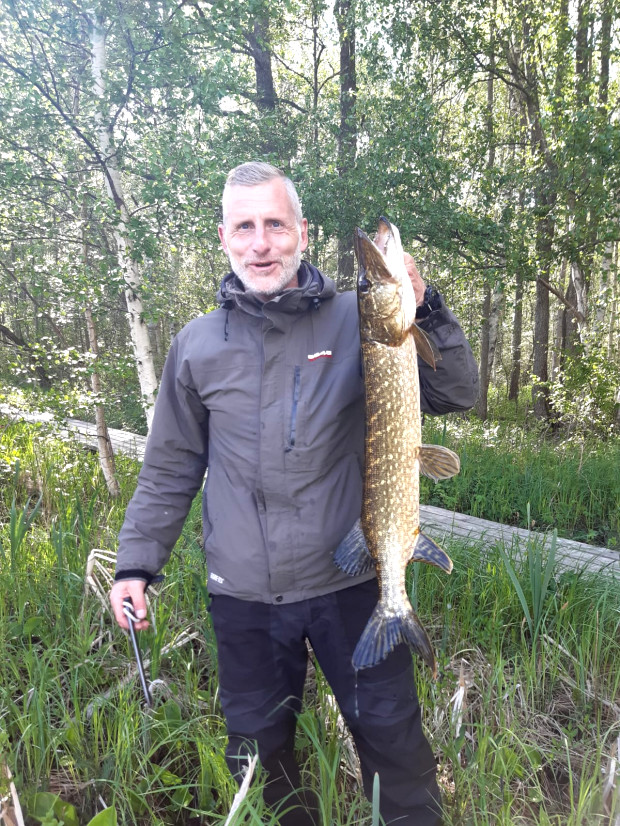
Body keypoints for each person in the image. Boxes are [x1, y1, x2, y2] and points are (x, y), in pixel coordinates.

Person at [110, 162, 479, 826]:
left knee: (395, 747)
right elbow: (169, 467)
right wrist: (136, 564)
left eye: (276, 225)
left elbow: (455, 393)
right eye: (245, 227)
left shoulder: (359, 317)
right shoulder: (196, 345)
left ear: (302, 233)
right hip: (244, 595)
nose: (261, 244)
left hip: (351, 579)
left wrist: (425, 306)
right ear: (224, 237)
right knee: (261, 759)